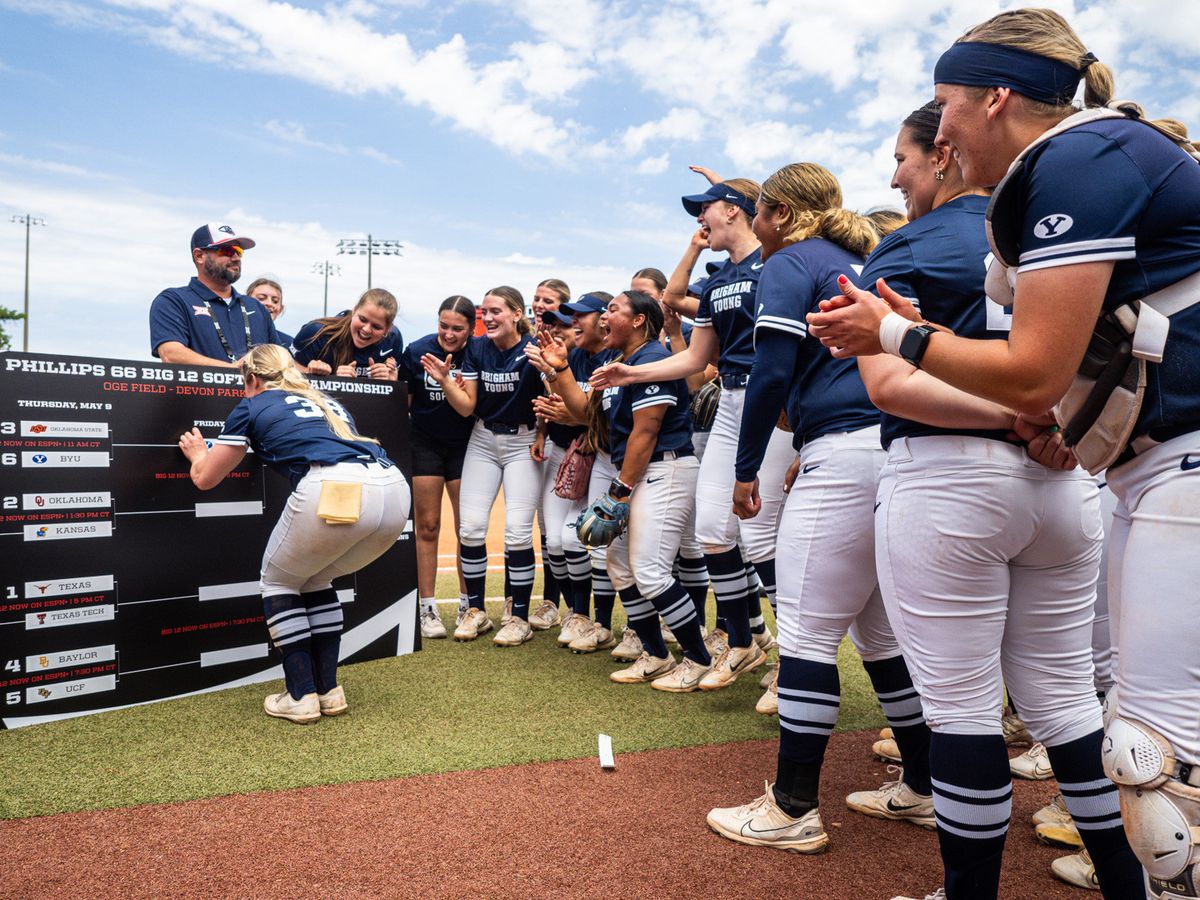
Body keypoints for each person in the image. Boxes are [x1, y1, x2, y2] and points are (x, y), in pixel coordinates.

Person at [806, 16, 1178, 893]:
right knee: (1070, 708)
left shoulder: (1061, 170)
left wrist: (892, 330)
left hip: (959, 483)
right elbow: (1049, 379)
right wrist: (1034, 416)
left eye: (942, 114)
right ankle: (1126, 883)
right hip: (1068, 482)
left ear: (994, 98)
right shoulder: (1051, 199)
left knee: (970, 711)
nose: (935, 139)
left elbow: (907, 387)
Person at [705, 161, 935, 855]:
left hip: (844, 453)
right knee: (880, 635)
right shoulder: (860, 255)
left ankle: (793, 807)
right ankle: (923, 787)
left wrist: (746, 470)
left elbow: (771, 370)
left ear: (772, 211)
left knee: (805, 633)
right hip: (895, 445)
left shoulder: (792, 260)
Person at [593, 174, 790, 692]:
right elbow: (697, 357)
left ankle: (790, 658)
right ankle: (744, 642)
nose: (699, 219)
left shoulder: (777, 259)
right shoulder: (722, 278)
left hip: (775, 402)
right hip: (730, 398)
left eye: (707, 207)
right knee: (711, 531)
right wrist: (630, 372)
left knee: (761, 536)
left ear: (736, 210)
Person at [177, 344, 409, 723]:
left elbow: (205, 478)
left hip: (337, 485)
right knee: (315, 578)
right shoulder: (324, 399)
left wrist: (199, 453)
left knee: (279, 582)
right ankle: (328, 690)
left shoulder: (253, 403)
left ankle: (300, 695)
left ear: (252, 378)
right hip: (393, 487)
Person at [566, 291, 714, 689]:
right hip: (636, 474)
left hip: (663, 469)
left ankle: (699, 659)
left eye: (614, 310)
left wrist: (620, 490)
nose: (604, 318)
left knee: (650, 572)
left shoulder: (652, 359)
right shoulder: (622, 362)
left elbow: (647, 431)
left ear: (638, 321)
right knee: (619, 566)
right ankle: (657, 654)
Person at [421, 286, 544, 646]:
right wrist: (444, 381)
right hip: (484, 438)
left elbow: (549, 398)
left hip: (524, 440)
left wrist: (543, 435)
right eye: (484, 312)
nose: (487, 318)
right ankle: (475, 611)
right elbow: (465, 405)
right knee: (471, 528)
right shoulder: (476, 347)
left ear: (517, 314)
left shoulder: (533, 348)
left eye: (496, 312)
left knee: (518, 532)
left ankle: (518, 617)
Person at [526, 292, 622, 654]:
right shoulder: (574, 357)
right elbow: (560, 404)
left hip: (608, 456)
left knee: (593, 545)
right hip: (578, 456)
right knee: (560, 542)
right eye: (569, 319)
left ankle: (603, 621)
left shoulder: (614, 357)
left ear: (602, 319)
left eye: (577, 318)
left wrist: (576, 416)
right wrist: (550, 376)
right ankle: (579, 615)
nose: (571, 325)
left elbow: (601, 414)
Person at [401, 296, 476, 639]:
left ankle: (468, 605)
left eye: (457, 328)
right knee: (428, 526)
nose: (448, 334)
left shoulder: (477, 352)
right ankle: (427, 607)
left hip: (466, 446)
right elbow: (404, 403)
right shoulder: (417, 350)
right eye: (443, 326)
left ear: (471, 329)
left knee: (467, 529)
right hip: (425, 444)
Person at [151, 223, 279, 367]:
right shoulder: (174, 300)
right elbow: (171, 354)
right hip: (202, 390)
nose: (236, 258)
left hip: (258, 390)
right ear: (199, 256)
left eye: (239, 251)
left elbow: (279, 360)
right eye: (227, 251)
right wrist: (232, 370)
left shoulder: (255, 306)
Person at [525, 277, 572, 632]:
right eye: (537, 299)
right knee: (549, 531)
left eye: (549, 300)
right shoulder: (530, 341)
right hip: (550, 441)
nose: (541, 305)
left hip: (582, 443)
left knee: (569, 534)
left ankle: (578, 608)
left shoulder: (571, 341)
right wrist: (541, 433)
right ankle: (551, 601)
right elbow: (544, 405)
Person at [291, 289, 403, 380]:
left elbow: (394, 396)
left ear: (387, 329)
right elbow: (285, 374)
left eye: (376, 327)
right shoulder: (317, 332)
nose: (366, 329)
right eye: (362, 319)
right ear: (354, 311)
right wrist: (315, 375)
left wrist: (390, 382)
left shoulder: (393, 340)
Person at [247, 276, 291, 347]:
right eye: (261, 298)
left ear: (280, 309)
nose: (269, 303)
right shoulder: (232, 335)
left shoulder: (289, 343)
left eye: (275, 301)